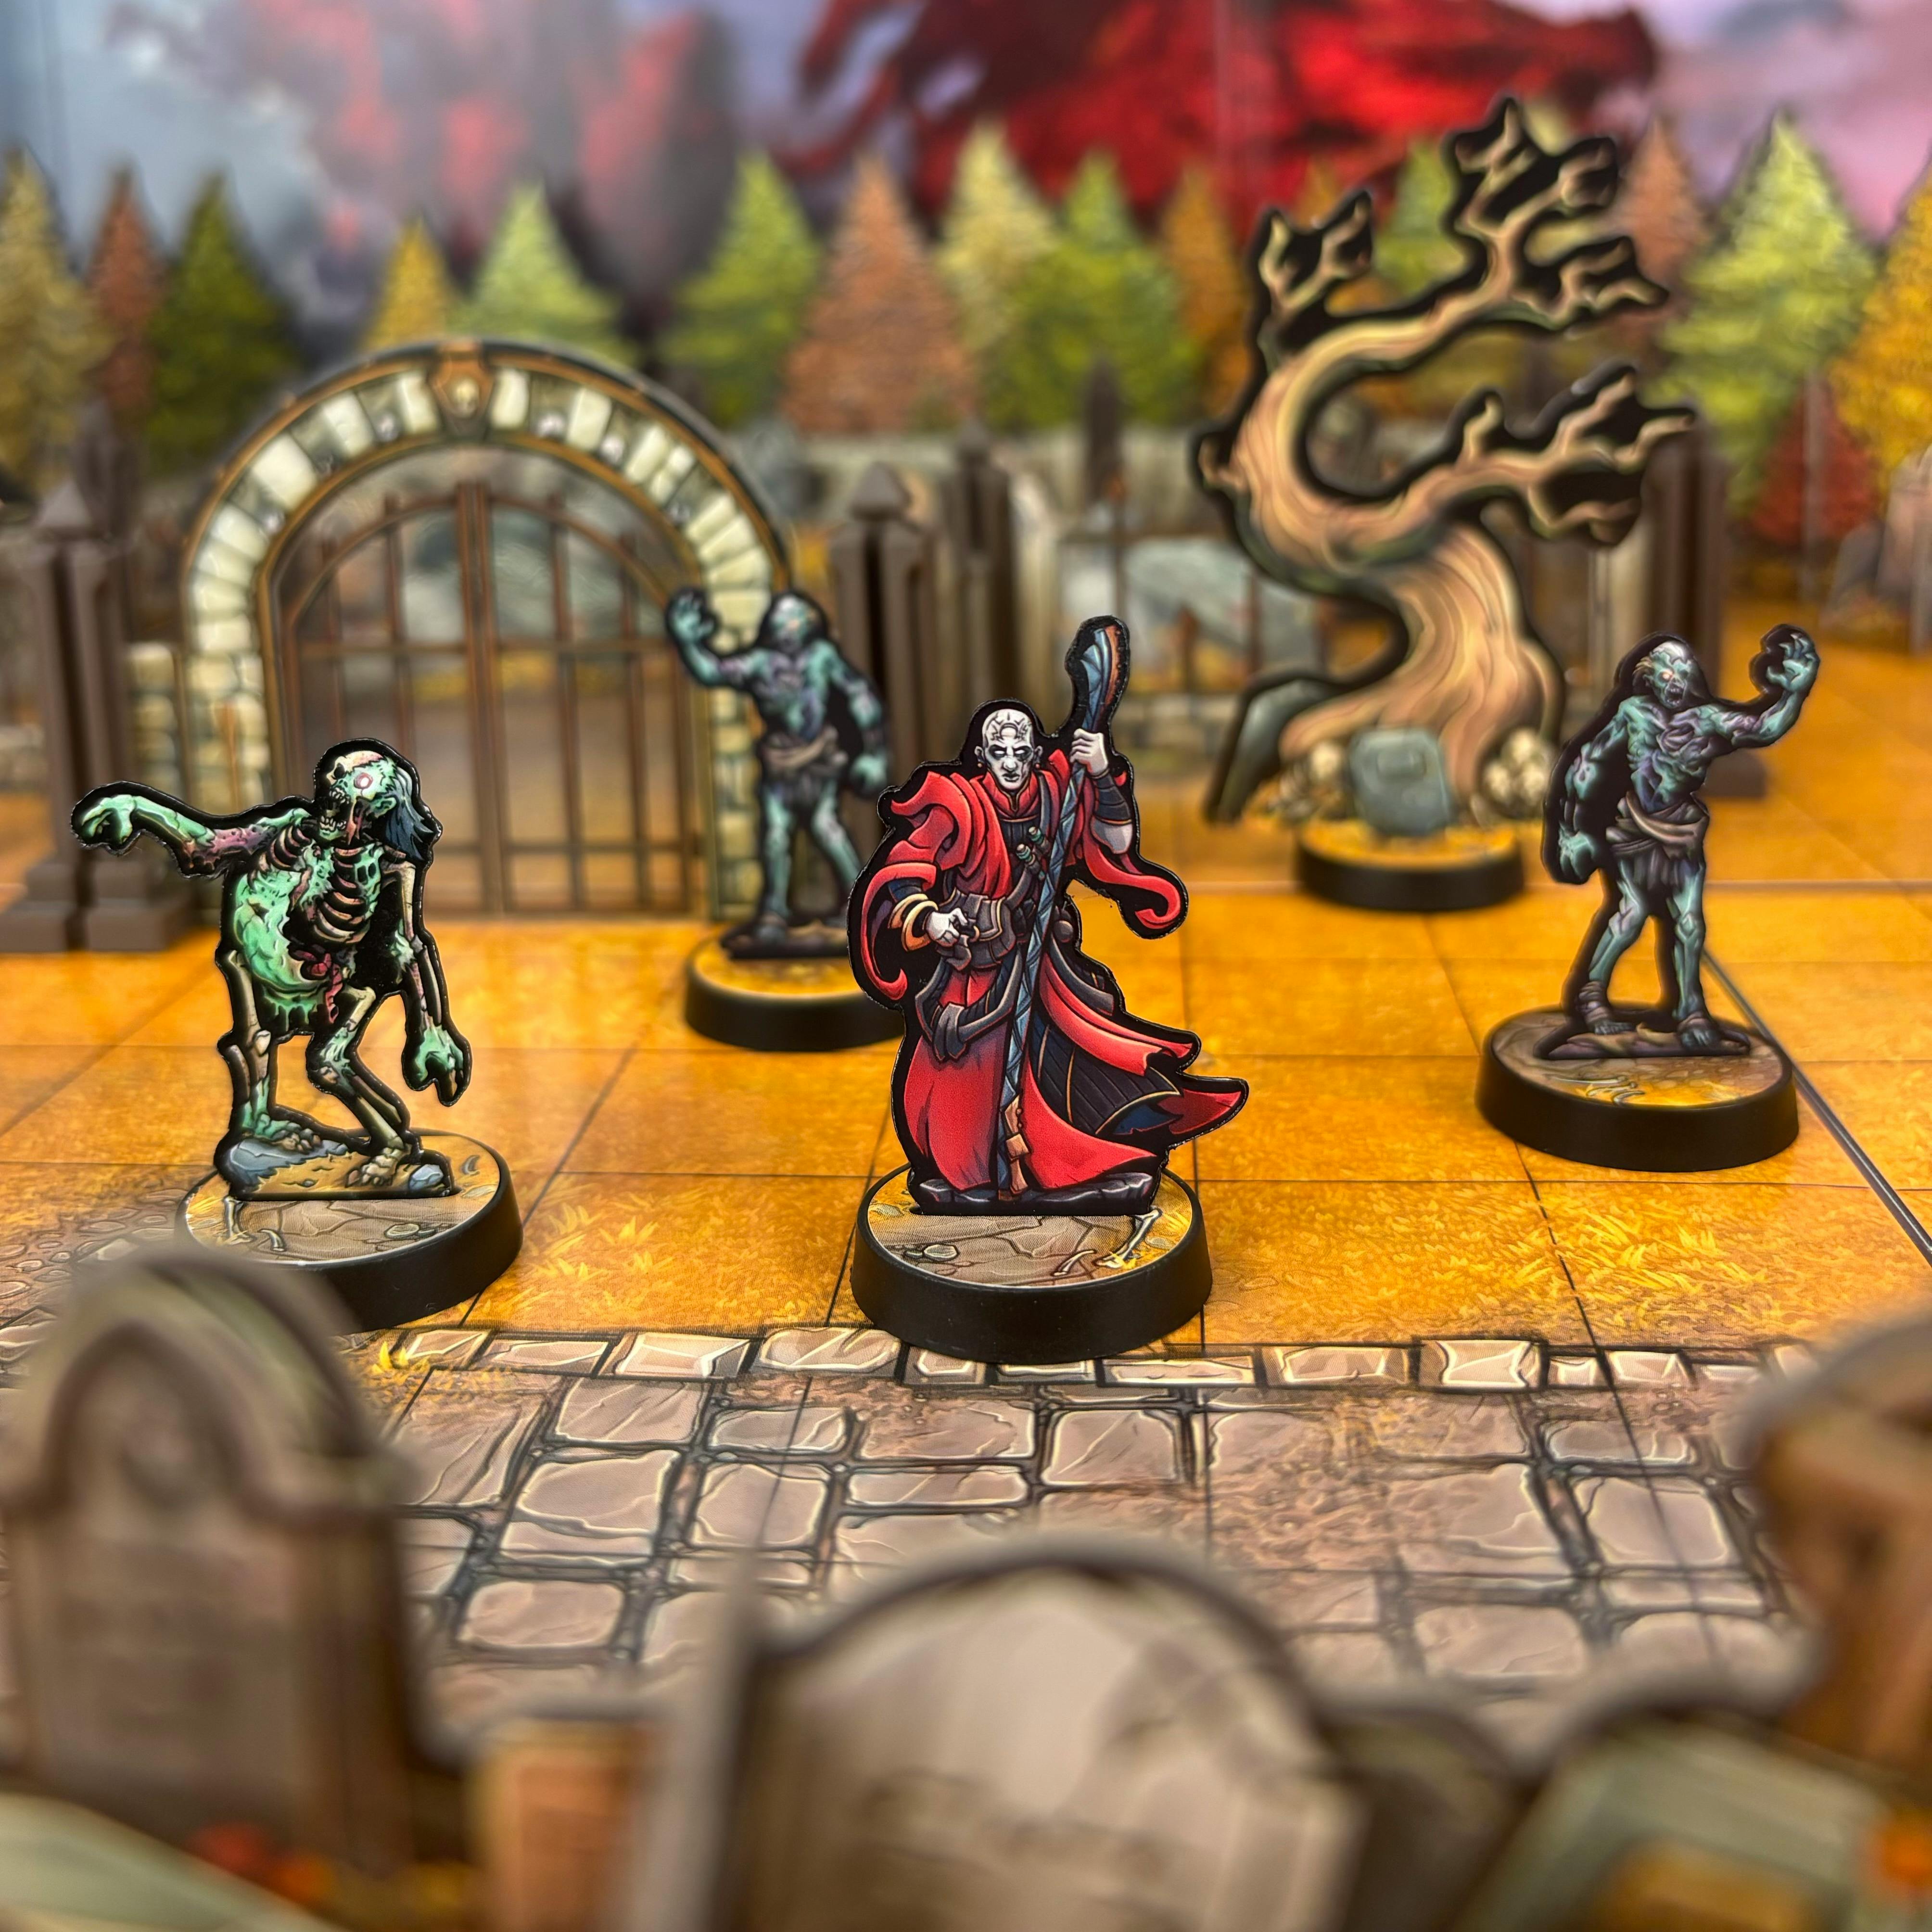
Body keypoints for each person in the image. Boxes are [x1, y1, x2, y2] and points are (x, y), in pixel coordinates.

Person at [853, 701, 1246, 1211]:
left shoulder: (1057, 793)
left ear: (1035, 753)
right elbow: (905, 869)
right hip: (978, 967)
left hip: (1043, 962)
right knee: (970, 1083)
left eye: (1020, 751)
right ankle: (990, 1177)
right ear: (981, 756)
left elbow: (1116, 841)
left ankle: (1078, 1165)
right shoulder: (958, 803)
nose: (1010, 762)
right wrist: (931, 919)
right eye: (999, 752)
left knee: (1082, 1047)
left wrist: (1101, 773)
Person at [1546, 625, 1818, 1054]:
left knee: (1690, 923)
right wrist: (1571, 830)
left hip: (1681, 831)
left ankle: (1690, 1011)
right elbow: (1587, 762)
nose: (1675, 679)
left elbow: (1762, 728)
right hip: (1634, 828)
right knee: (1630, 913)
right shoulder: (1633, 713)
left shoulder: (1707, 721)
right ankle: (1591, 994)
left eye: (1682, 670)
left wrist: (1794, 694)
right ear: (1650, 677)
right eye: (1666, 671)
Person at [666, 586, 888, 956]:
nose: (787, 626)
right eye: (781, 620)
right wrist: (687, 641)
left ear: (808, 625)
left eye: (794, 619)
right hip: (780, 763)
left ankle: (861, 906)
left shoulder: (822, 657)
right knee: (775, 835)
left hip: (819, 757)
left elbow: (861, 696)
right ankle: (773, 914)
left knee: (827, 828)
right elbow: (712, 671)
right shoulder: (760, 664)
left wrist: (875, 753)